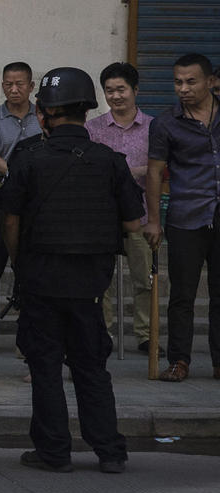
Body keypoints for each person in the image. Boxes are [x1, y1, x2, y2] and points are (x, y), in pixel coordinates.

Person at [1, 67, 140, 474]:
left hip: (41, 277)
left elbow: (10, 221)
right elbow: (133, 224)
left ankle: (54, 452)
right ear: (86, 111)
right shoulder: (110, 161)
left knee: (44, 367)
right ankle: (110, 451)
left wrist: (18, 263)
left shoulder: (28, 159)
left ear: (43, 112)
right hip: (90, 283)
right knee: (91, 367)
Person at [144, 53, 220, 382]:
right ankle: (179, 361)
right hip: (185, 216)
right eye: (177, 82)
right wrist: (153, 220)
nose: (183, 89)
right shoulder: (165, 123)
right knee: (182, 294)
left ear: (211, 81)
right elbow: (154, 173)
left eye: (191, 81)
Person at [84, 62, 155, 354]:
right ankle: (104, 333)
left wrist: (132, 172)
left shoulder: (154, 126)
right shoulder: (92, 128)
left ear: (135, 90)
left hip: (141, 214)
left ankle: (146, 334)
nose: (116, 96)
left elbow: (160, 168)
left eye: (121, 89)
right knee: (102, 282)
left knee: (145, 279)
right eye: (109, 90)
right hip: (103, 216)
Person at [0, 62, 42, 355]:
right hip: (1, 192)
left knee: (31, 267)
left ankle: (28, 337)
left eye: (19, 84)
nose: (13, 90)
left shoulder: (43, 115)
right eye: (7, 84)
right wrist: (16, 171)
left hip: (36, 197)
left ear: (31, 86)